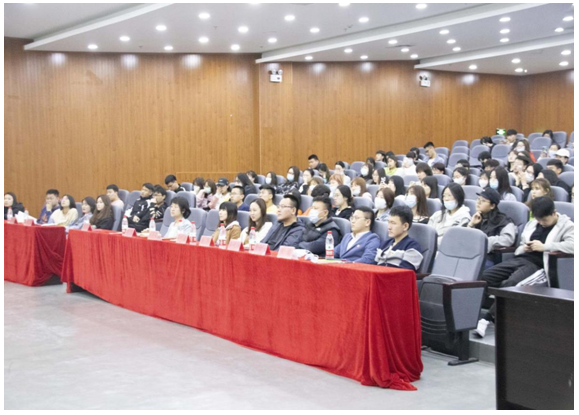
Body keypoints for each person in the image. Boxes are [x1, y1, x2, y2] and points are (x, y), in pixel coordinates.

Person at [475, 197, 574, 338]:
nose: (541, 223)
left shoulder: (567, 225)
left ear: (554, 213)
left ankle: (487, 319)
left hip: (540, 265)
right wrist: (524, 248)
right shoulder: (533, 224)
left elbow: (573, 245)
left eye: (544, 220)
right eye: (539, 220)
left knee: (511, 284)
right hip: (521, 258)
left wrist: (545, 247)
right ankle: (475, 314)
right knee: (484, 277)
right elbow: (521, 243)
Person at [466, 189, 517, 268]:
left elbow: (508, 239)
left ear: (492, 206)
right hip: (472, 255)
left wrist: (486, 242)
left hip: (489, 258)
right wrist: (471, 224)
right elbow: (466, 239)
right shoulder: (477, 217)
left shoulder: (503, 220)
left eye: (483, 201)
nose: (478, 203)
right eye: (478, 199)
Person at [375, 206, 423, 272]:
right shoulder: (384, 244)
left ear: (405, 226)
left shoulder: (412, 247)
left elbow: (404, 273)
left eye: (393, 223)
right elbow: (373, 266)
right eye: (388, 222)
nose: (389, 227)